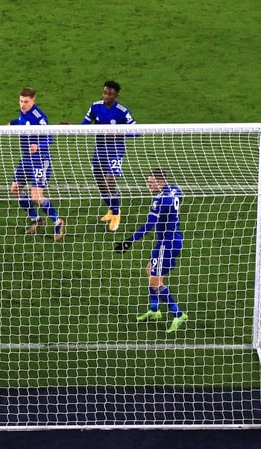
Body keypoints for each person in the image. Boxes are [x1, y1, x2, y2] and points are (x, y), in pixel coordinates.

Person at [114, 168, 187, 333]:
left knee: (155, 282)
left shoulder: (160, 200)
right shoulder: (175, 189)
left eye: (151, 182)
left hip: (166, 245)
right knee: (149, 270)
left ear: (161, 182)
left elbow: (148, 226)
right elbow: (178, 198)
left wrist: (129, 241)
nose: (148, 185)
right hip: (175, 239)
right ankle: (154, 310)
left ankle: (178, 314)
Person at [79, 80, 136, 232]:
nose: (106, 96)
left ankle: (117, 214)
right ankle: (112, 209)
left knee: (110, 181)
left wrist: (117, 132)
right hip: (99, 151)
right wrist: (71, 127)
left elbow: (136, 131)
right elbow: (84, 125)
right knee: (100, 182)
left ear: (116, 95)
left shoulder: (122, 111)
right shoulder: (95, 107)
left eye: (110, 93)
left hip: (115, 151)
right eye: (105, 92)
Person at [8, 87, 65, 241]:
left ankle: (58, 221)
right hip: (26, 159)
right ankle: (36, 219)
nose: (23, 104)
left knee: (36, 196)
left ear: (34, 100)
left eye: (26, 102)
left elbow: (50, 138)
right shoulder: (24, 113)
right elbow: (21, 122)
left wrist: (38, 146)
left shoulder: (39, 117)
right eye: (21, 101)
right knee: (15, 189)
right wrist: (11, 124)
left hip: (41, 160)